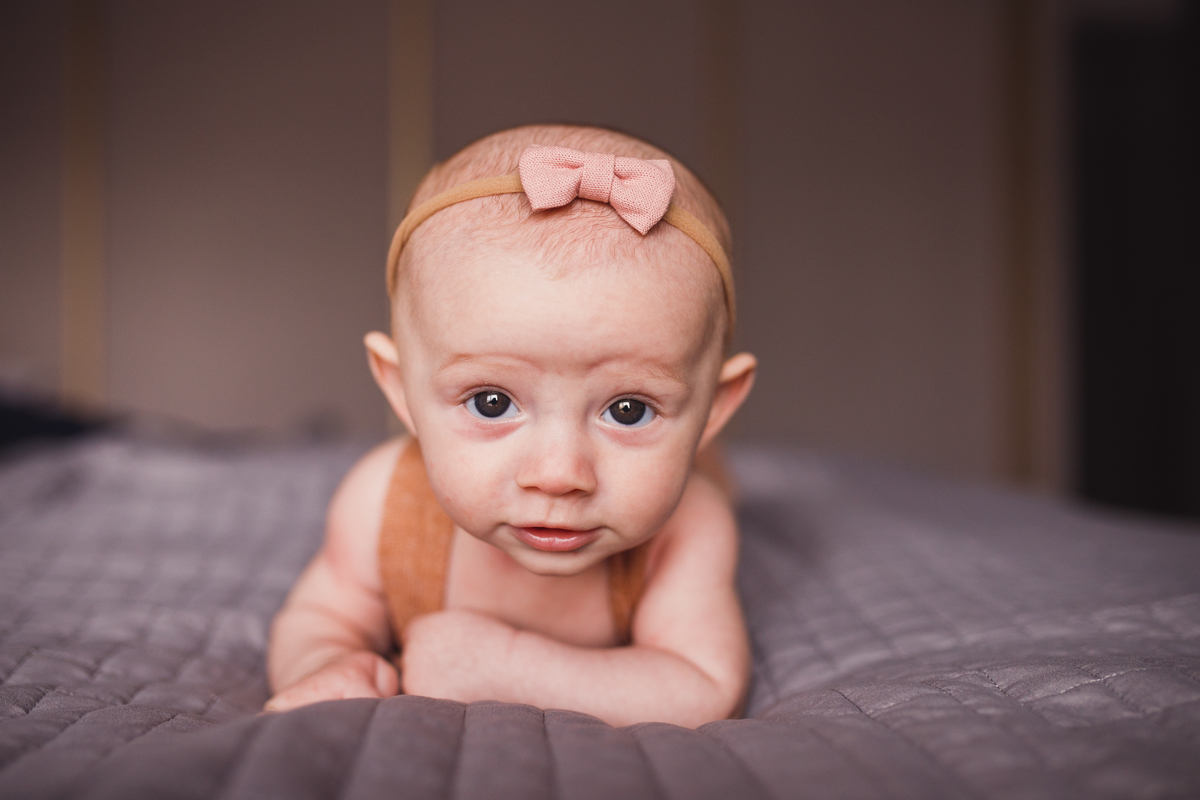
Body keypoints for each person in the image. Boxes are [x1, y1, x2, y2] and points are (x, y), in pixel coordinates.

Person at [263, 124, 757, 728]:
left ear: (715, 407)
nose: (559, 474)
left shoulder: (688, 527)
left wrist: (509, 667)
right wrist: (326, 662)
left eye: (628, 410)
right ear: (400, 389)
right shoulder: (380, 503)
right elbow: (320, 617)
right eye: (492, 403)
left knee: (711, 486)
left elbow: (704, 686)